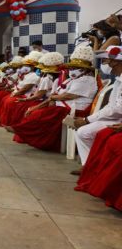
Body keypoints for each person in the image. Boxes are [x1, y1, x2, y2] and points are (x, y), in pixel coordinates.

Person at [13, 48, 98, 152]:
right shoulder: (72, 79)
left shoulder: (86, 80)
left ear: (85, 69)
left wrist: (54, 97)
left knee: (39, 115)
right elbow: (56, 95)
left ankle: (21, 130)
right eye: (71, 68)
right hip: (61, 105)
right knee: (35, 111)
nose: (72, 71)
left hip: (74, 109)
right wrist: (51, 99)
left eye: (76, 68)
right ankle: (23, 131)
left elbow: (67, 96)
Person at [73, 46, 122, 174]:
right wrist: (88, 120)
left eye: (107, 61)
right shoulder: (118, 80)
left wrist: (87, 119)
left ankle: (96, 167)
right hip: (115, 118)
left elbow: (117, 109)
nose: (106, 64)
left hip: (118, 119)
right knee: (83, 132)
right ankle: (88, 165)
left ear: (116, 62)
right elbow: (112, 106)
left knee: (90, 131)